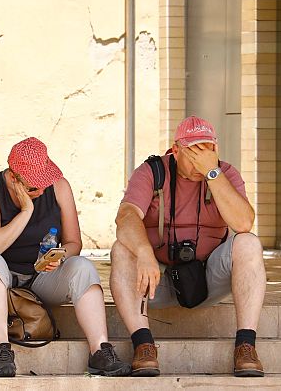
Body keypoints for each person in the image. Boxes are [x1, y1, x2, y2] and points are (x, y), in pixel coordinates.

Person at [0, 137, 131, 377]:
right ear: (12, 178)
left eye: (43, 184)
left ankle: (100, 350)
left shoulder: (59, 186)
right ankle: (1, 351)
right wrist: (26, 210)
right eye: (32, 187)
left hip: (38, 277)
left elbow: (74, 243)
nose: (40, 191)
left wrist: (59, 258)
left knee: (82, 266)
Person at [110, 115, 266, 377]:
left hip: (207, 277)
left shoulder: (224, 174)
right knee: (121, 248)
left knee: (249, 243)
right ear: (176, 149)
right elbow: (125, 217)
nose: (199, 160)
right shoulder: (152, 172)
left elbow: (244, 222)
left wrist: (212, 172)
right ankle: (144, 345)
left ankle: (246, 347)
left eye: (206, 151)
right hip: (153, 279)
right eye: (193, 152)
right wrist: (145, 252)